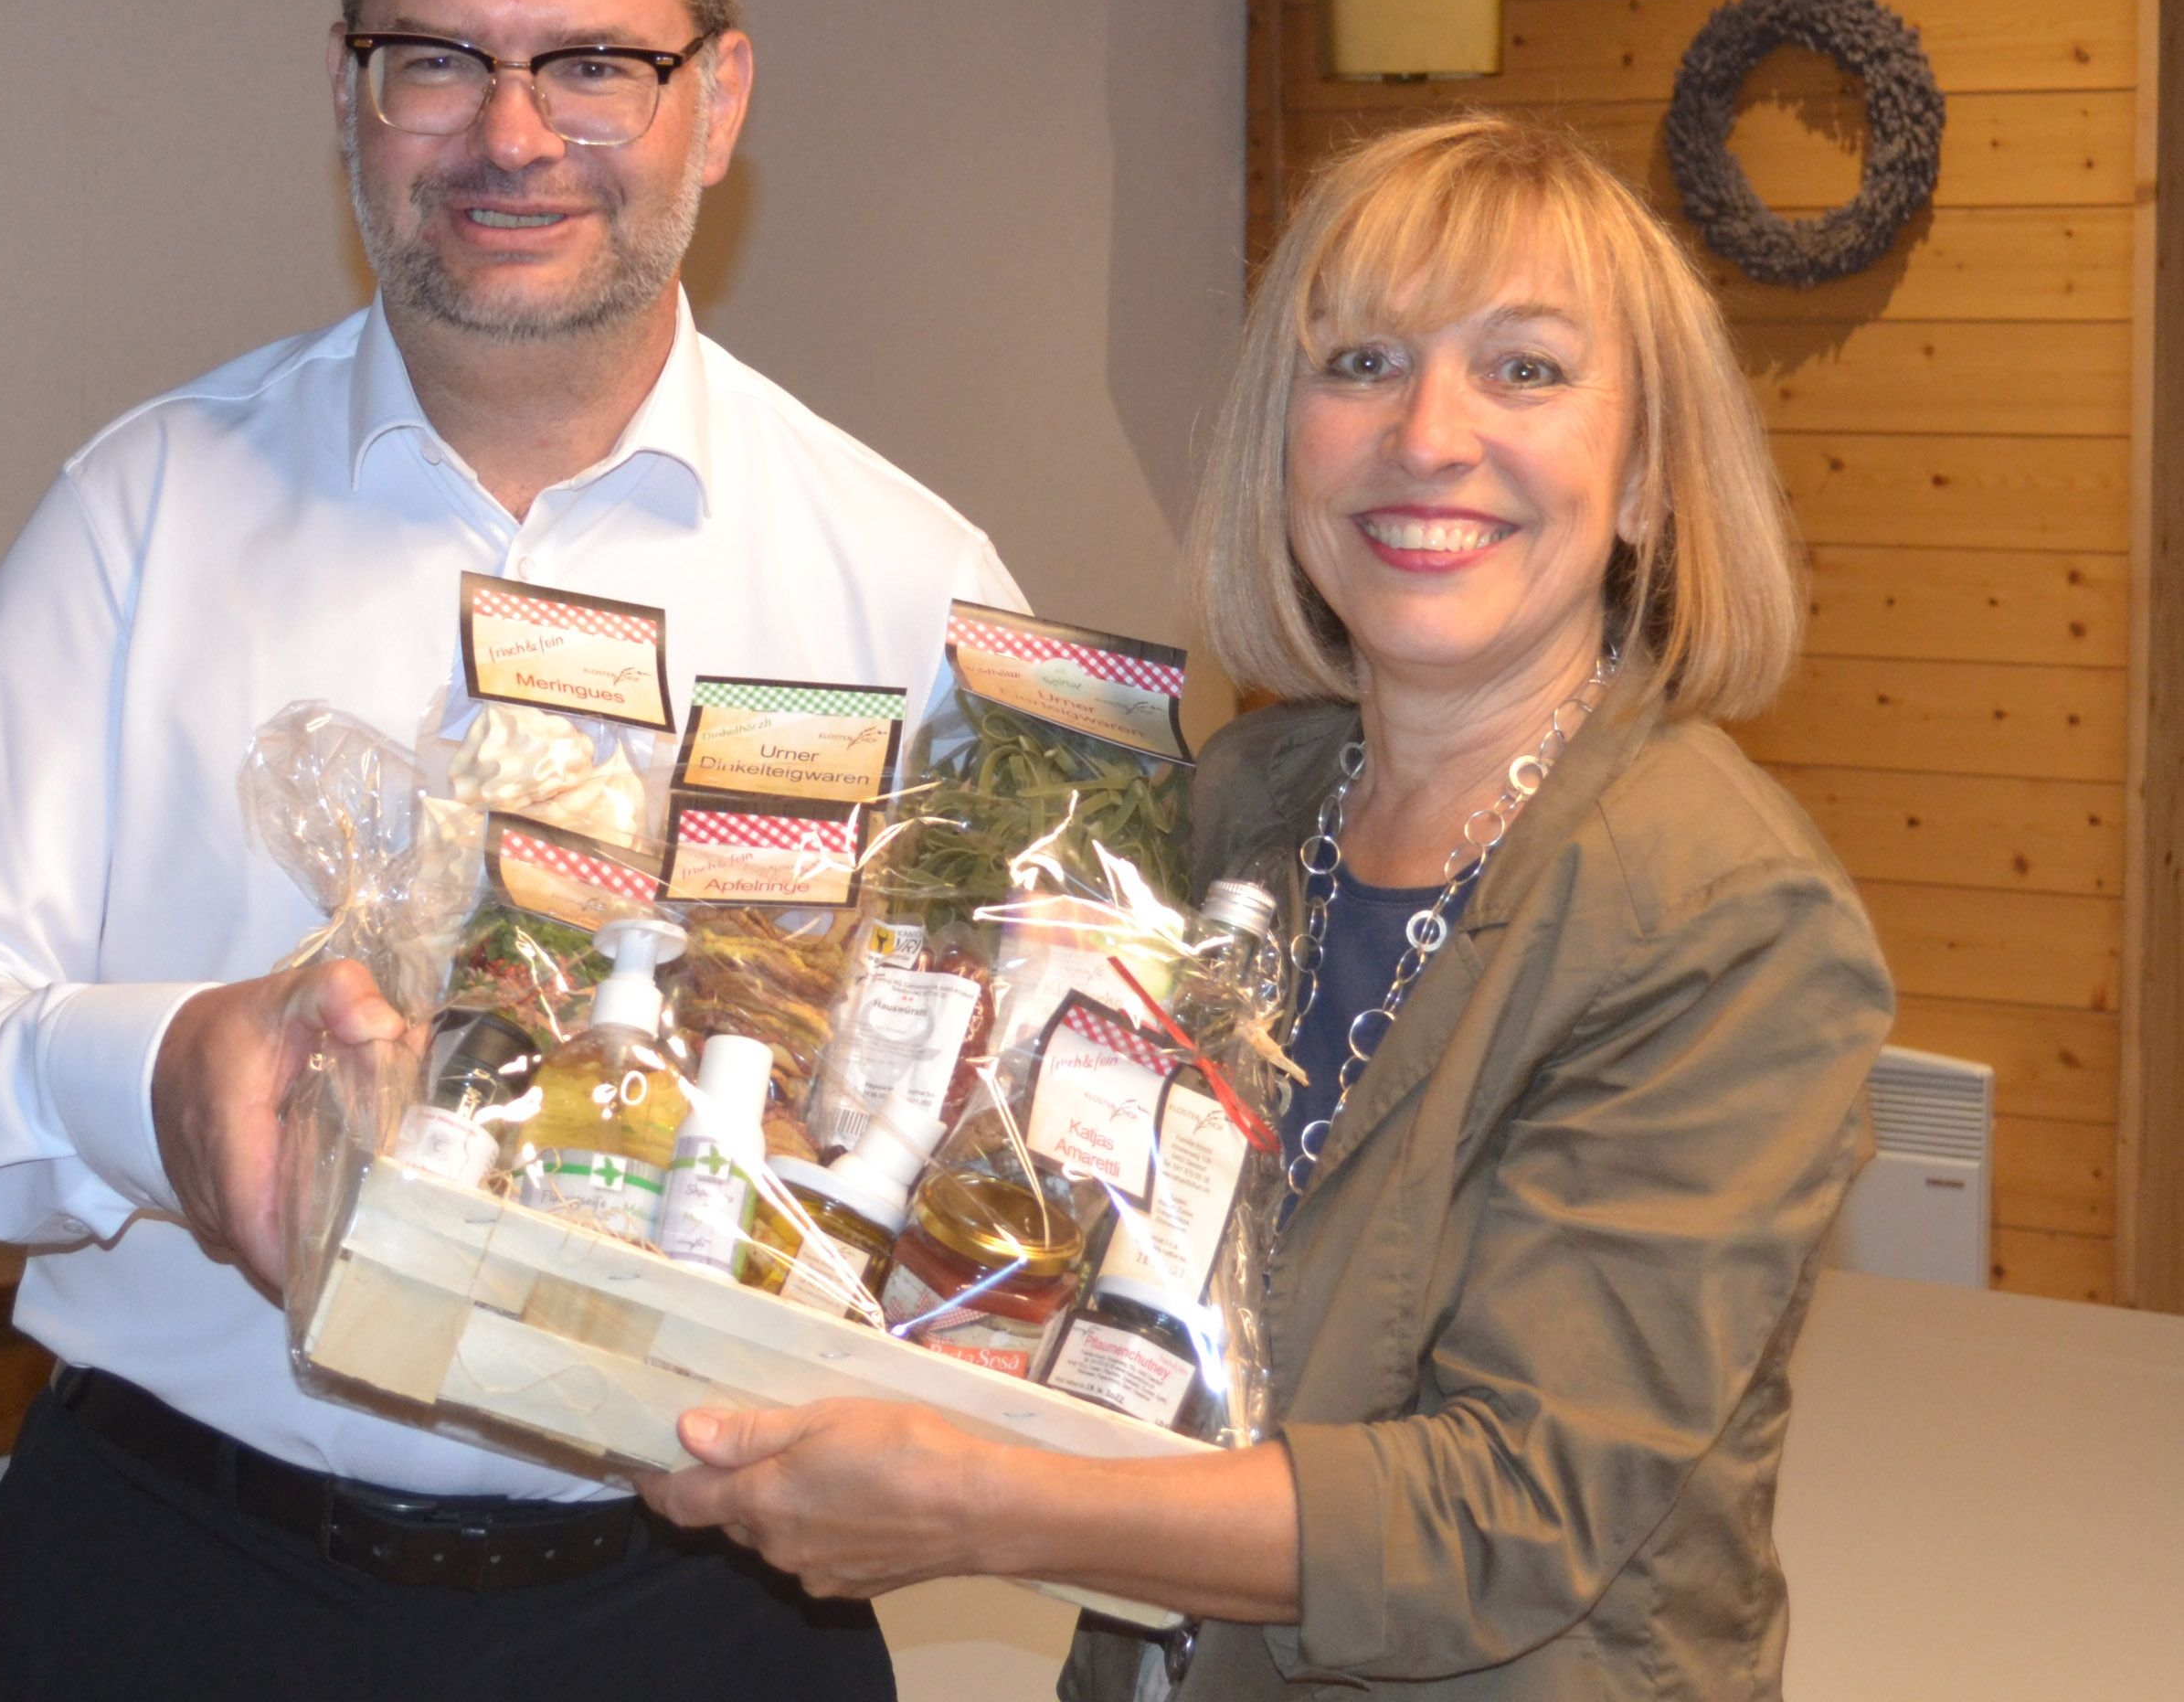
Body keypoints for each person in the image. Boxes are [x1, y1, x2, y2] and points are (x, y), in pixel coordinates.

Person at [0, 0, 1021, 1702]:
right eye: (437, 59)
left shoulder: (915, 589)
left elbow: (1005, 1155)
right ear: (348, 97)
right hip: (169, 1590)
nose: (510, 136)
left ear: (718, 100)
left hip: (704, 1620)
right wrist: (163, 1079)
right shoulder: (144, 513)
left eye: (594, 64)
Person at [636, 114, 1895, 1701]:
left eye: (1523, 370)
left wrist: (977, 1507)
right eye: (1361, 363)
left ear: (1644, 477)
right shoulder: (1242, 803)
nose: (1426, 436)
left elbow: (1513, 1515)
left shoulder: (1725, 923)